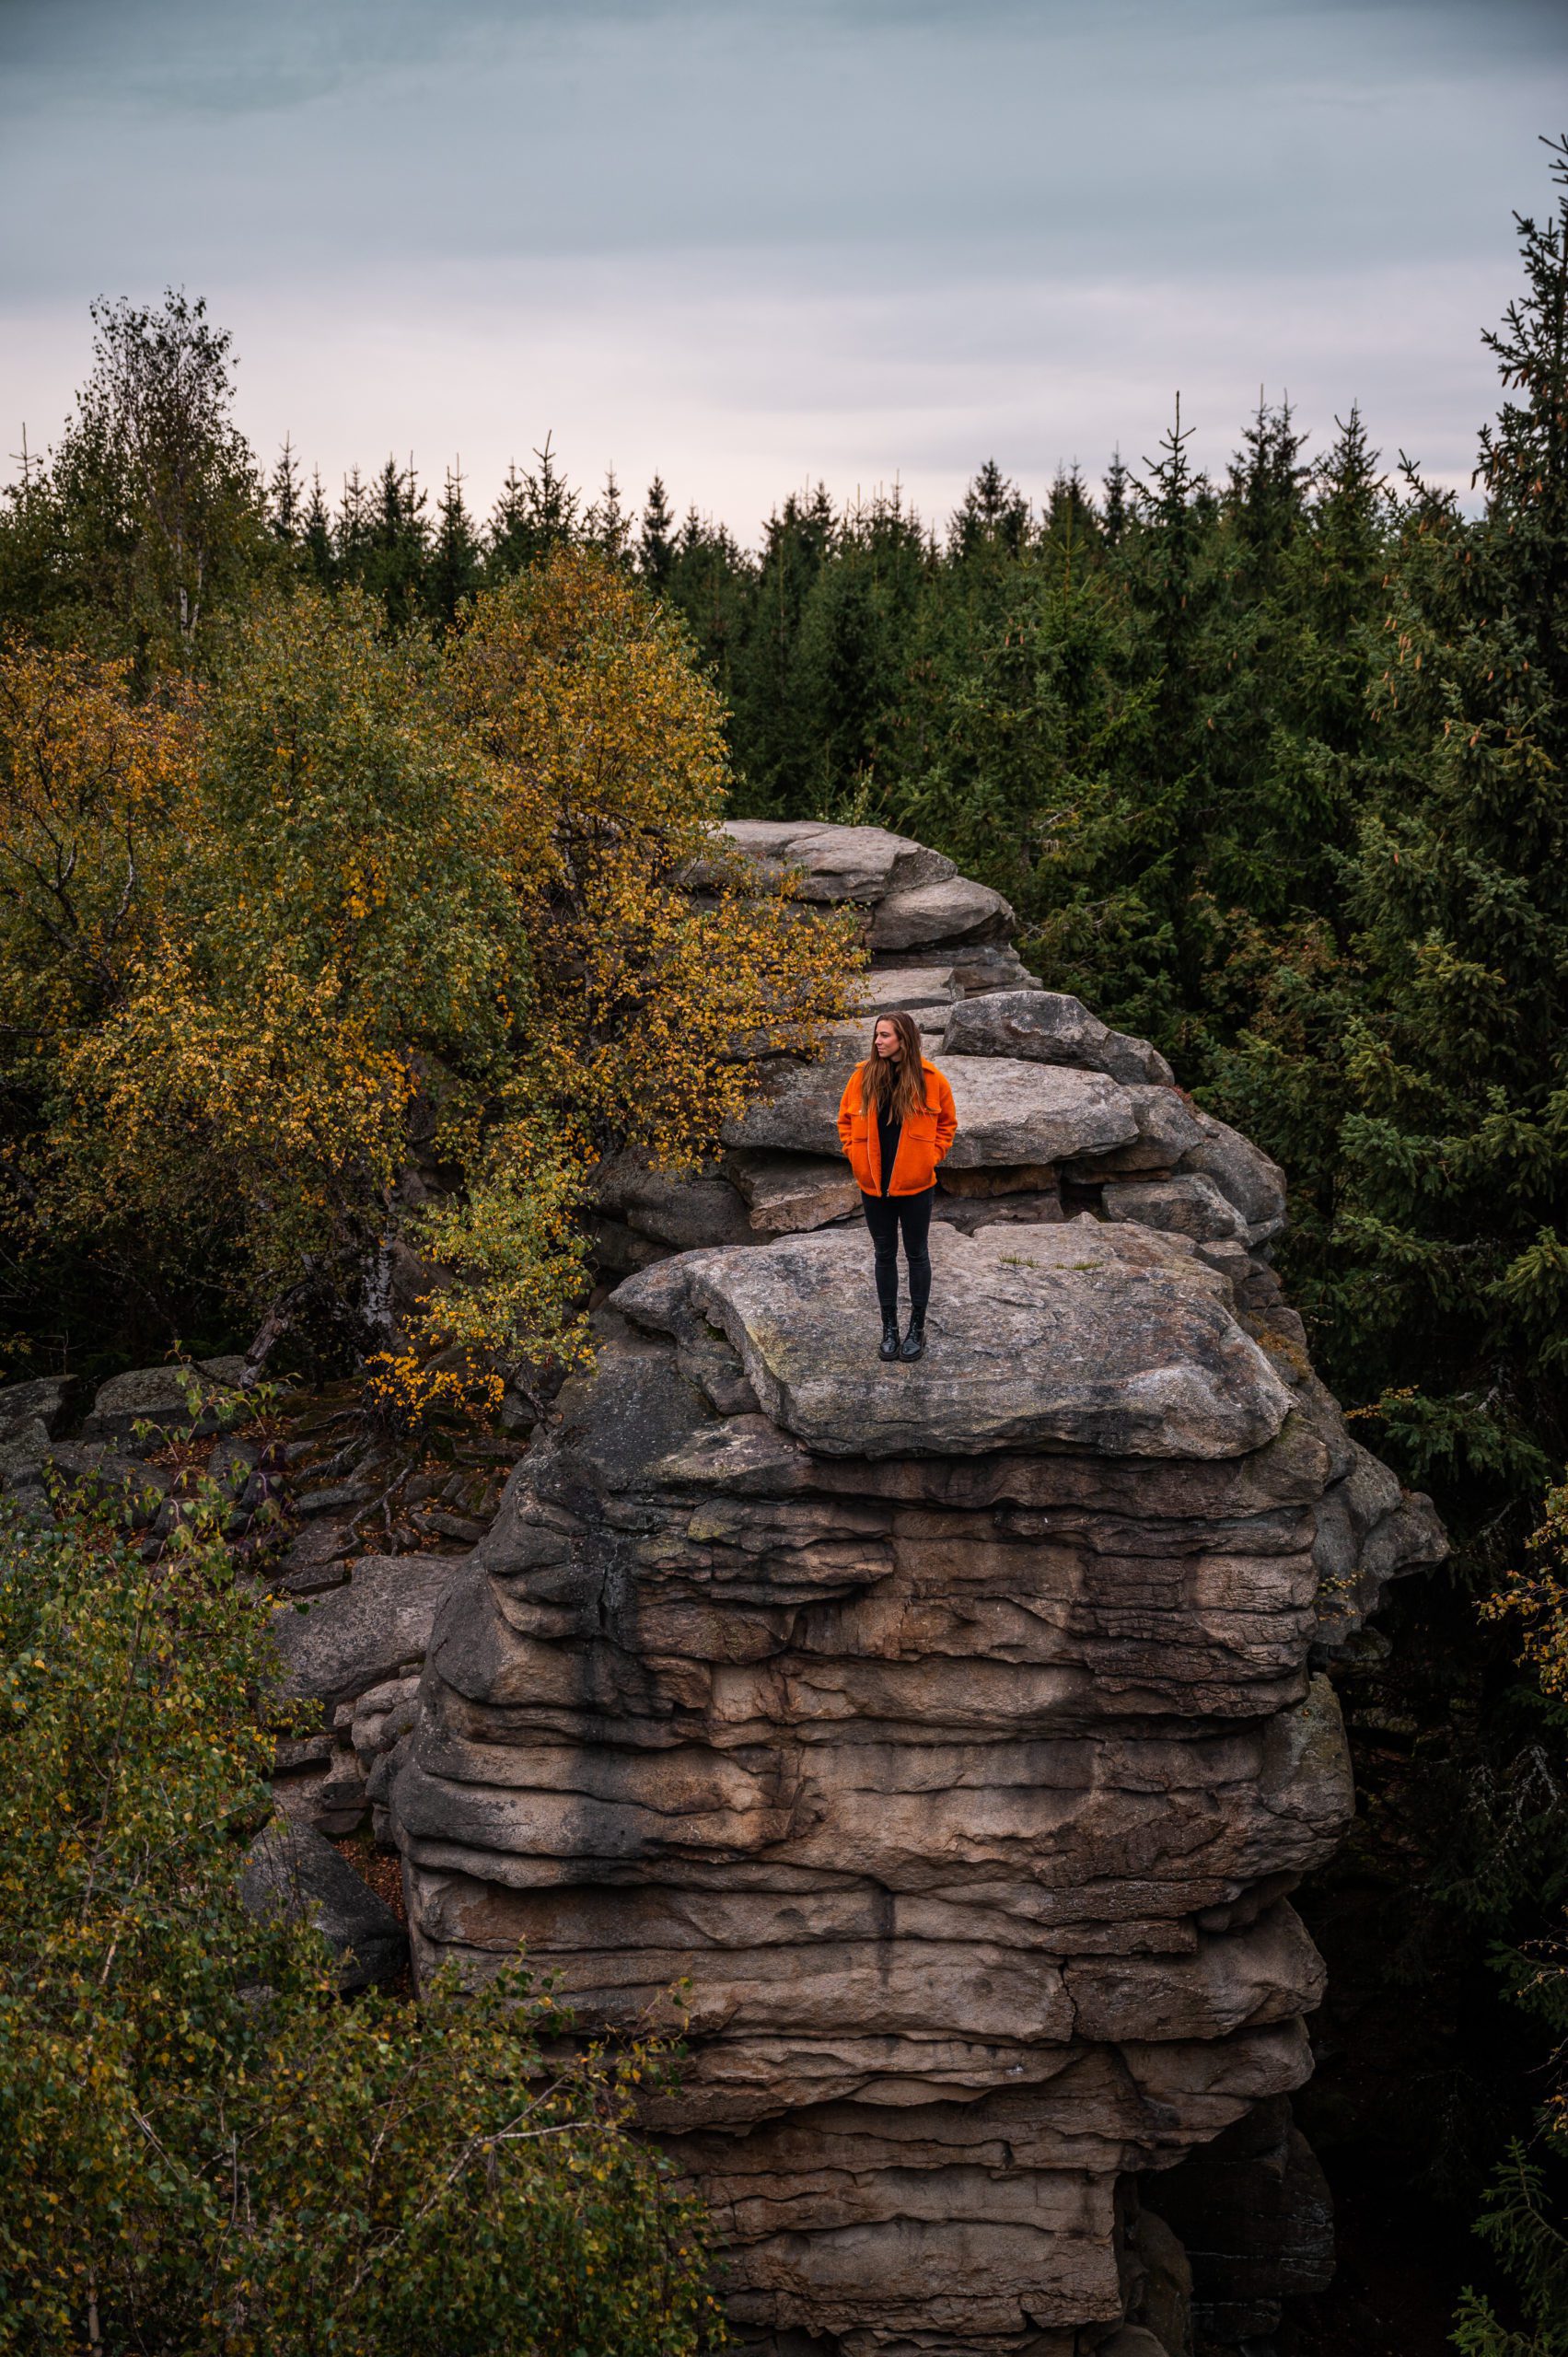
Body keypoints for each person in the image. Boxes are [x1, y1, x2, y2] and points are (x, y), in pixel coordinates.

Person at [835, 1009, 958, 1362]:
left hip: (916, 1186)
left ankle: (916, 1329)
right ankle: (889, 1328)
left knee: (917, 1254)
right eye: (877, 1035)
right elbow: (845, 1120)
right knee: (883, 1254)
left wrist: (929, 1157)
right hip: (874, 1186)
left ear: (903, 1038)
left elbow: (947, 1124)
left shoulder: (931, 1079)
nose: (878, 1041)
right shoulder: (861, 1077)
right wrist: (854, 1155)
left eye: (885, 1035)